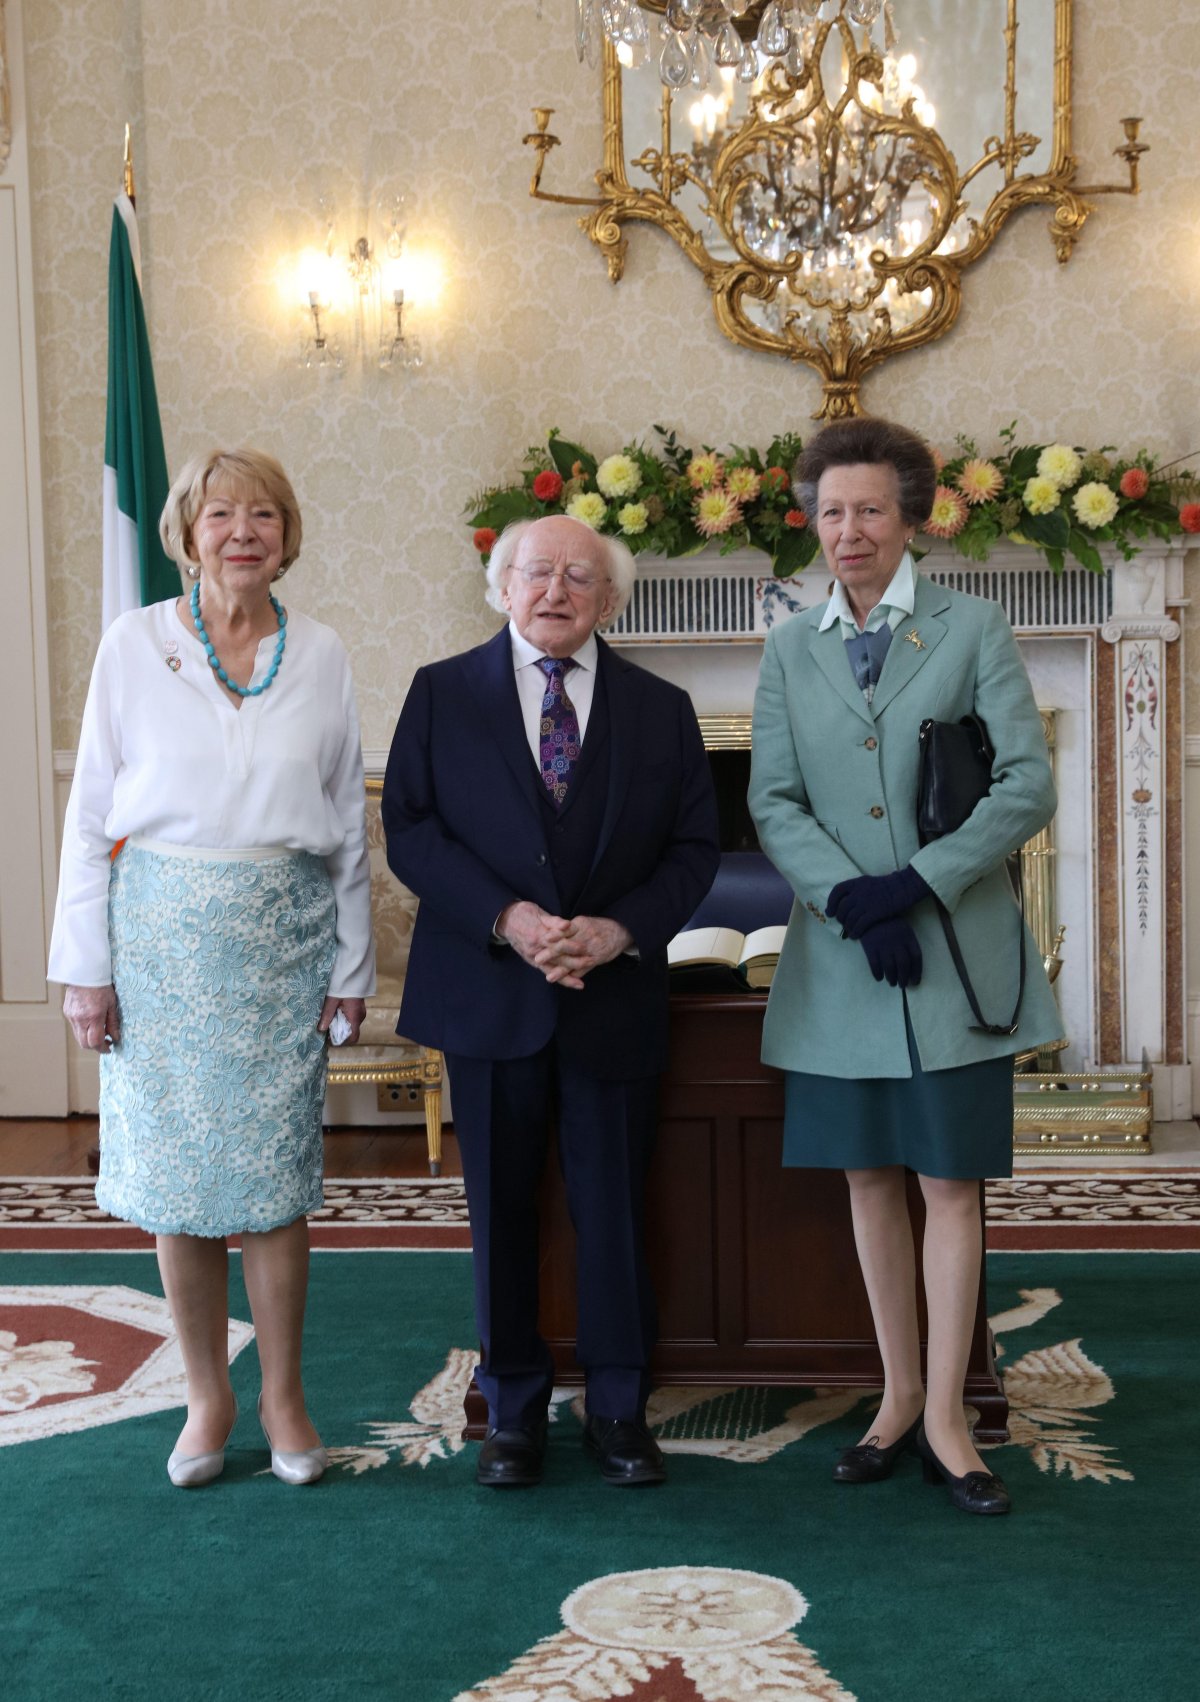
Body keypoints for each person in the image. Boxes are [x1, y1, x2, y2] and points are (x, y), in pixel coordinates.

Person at [748, 416, 1063, 1516]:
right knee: (870, 1180)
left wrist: (914, 885)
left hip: (955, 952)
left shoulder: (973, 626)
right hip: (844, 962)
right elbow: (773, 801)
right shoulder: (788, 646)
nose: (850, 531)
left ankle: (947, 1422)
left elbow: (1026, 785)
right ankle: (896, 1398)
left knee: (948, 1183)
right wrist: (850, 901)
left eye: (871, 510)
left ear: (911, 518)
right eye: (831, 511)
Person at [48, 447, 374, 1489]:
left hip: (284, 945)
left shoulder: (319, 651)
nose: (244, 532)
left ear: (287, 534)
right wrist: (85, 968)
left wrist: (352, 965)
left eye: (264, 514)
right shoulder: (133, 643)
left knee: (274, 1185)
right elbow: (89, 816)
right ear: (188, 533)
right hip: (159, 947)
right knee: (175, 1184)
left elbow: (345, 824)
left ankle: (283, 1398)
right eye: (222, 514)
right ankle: (206, 1399)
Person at [383, 514, 719, 1488]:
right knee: (502, 1214)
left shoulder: (663, 709)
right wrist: (508, 918)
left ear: (610, 599)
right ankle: (513, 1413)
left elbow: (695, 848)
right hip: (488, 994)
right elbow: (411, 829)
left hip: (613, 998)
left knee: (613, 1210)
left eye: (579, 576)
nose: (556, 591)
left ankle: (618, 1410)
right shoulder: (442, 693)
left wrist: (619, 930)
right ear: (502, 587)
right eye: (537, 572)